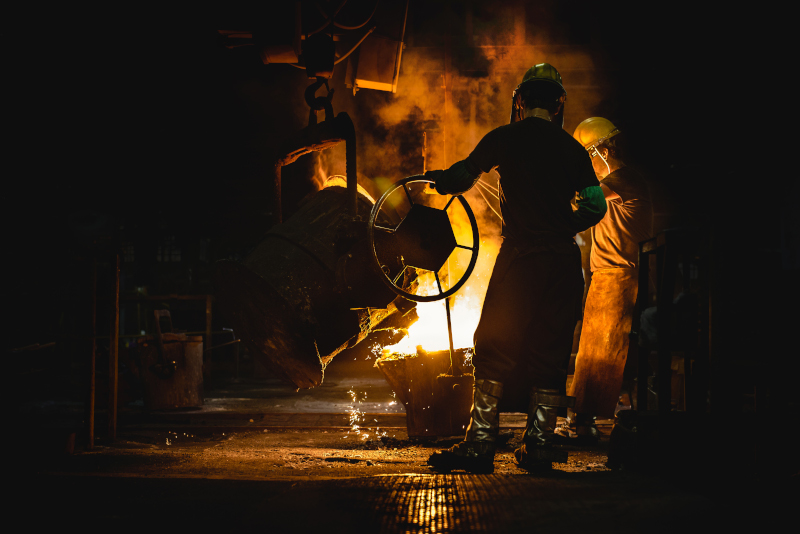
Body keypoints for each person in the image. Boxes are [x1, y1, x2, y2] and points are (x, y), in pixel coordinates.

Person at [425, 64, 607, 473]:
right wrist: (563, 225)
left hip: (521, 259)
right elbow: (596, 206)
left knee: (494, 344)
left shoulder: (504, 138)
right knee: (551, 349)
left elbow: (461, 177)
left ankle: (480, 443)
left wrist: (441, 182)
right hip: (562, 263)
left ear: (521, 100)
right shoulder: (572, 149)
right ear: (558, 103)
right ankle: (539, 444)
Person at [559, 117, 653, 442]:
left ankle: (585, 422)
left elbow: (584, 198)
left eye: (587, 158)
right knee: (593, 351)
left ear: (605, 151)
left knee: (600, 352)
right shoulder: (613, 185)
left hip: (620, 276)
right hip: (606, 276)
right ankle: (584, 421)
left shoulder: (624, 180)